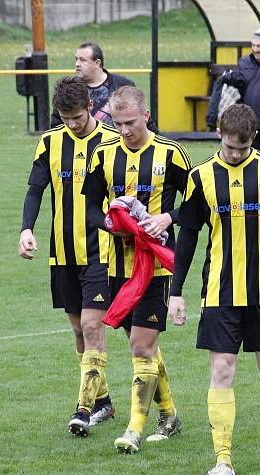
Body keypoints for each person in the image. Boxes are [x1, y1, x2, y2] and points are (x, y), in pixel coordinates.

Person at [168, 104, 260, 475]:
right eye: (229, 147)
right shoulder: (201, 177)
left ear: (253, 139)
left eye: (241, 149)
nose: (235, 154)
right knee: (221, 370)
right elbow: (190, 234)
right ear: (219, 136)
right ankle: (223, 461)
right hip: (219, 292)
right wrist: (176, 291)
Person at [82, 85, 190, 453]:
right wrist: (110, 224)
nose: (124, 130)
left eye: (130, 122)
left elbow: (195, 206)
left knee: (142, 346)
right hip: (117, 268)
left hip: (157, 267)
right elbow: (91, 207)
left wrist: (166, 217)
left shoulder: (171, 154)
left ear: (146, 115)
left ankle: (134, 428)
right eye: (117, 122)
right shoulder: (104, 154)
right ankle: (170, 414)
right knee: (140, 343)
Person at [19, 77, 120, 435]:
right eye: (65, 119)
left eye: (77, 117)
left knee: (93, 326)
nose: (72, 124)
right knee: (79, 331)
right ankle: (104, 401)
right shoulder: (49, 143)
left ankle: (83, 408)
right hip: (62, 252)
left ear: (90, 107)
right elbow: (35, 191)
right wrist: (26, 228)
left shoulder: (112, 143)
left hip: (101, 250)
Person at [50, 42, 157, 131]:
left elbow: (141, 117)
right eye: (76, 59)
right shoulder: (68, 90)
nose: (77, 64)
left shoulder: (122, 84)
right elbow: (56, 124)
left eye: (82, 60)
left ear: (97, 63)